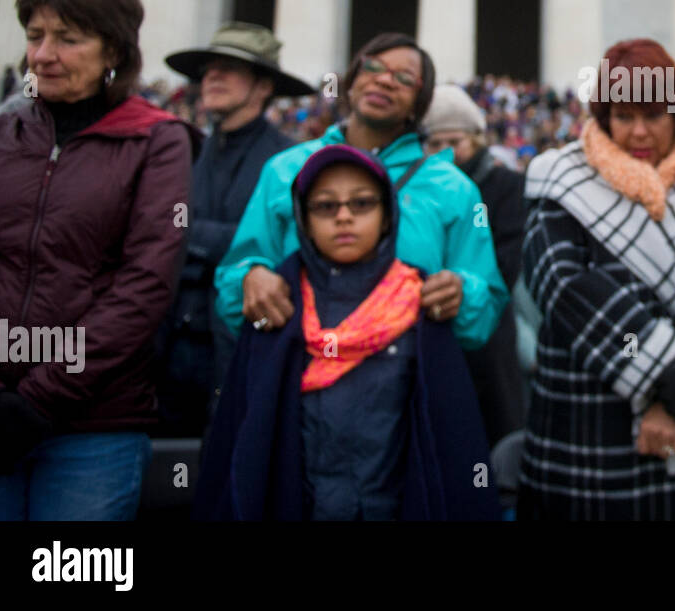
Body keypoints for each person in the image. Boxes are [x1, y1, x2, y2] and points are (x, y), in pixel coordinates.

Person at [0, 0, 201, 520]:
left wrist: (41, 396)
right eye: (35, 36)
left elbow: (146, 283)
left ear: (113, 53)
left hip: (95, 423)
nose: (43, 55)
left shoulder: (158, 141)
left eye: (68, 39)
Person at [195, 144, 497, 520]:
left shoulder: (424, 304)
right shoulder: (275, 304)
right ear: (303, 220)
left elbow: (450, 445)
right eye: (325, 206)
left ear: (388, 216)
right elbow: (241, 450)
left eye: (361, 204)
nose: (343, 217)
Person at [518, 39, 675, 520]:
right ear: (604, 118)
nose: (639, 132)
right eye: (624, 117)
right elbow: (564, 288)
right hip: (586, 427)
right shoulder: (559, 180)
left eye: (654, 115)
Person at [212, 33, 509, 355]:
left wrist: (461, 295)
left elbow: (485, 314)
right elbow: (234, 276)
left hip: (405, 389)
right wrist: (250, 279)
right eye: (372, 67)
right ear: (351, 83)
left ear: (418, 104)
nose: (384, 81)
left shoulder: (455, 190)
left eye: (404, 78)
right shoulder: (283, 170)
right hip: (294, 381)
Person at [156, 23, 314, 436]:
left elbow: (277, 249)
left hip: (234, 341)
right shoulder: (185, 150)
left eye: (229, 69)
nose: (213, 78)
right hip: (168, 343)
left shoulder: (289, 161)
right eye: (209, 70)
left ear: (263, 87)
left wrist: (188, 235)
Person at [422, 83, 526, 446]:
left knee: (490, 436)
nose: (444, 153)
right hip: (428, 322)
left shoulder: (506, 185)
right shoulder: (421, 189)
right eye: (434, 144)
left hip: (488, 328)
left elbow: (509, 258)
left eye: (453, 142)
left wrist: (463, 287)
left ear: (475, 139)